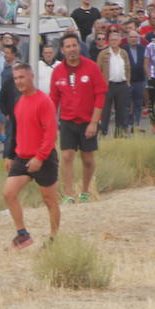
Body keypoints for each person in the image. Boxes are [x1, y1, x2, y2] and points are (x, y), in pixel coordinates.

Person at [3, 64, 60, 248]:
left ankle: (54, 238)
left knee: (49, 199)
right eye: (16, 78)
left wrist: (40, 158)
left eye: (22, 77)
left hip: (43, 158)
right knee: (8, 193)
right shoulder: (19, 102)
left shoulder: (44, 101)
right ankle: (23, 234)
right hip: (22, 157)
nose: (19, 81)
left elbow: (51, 134)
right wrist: (10, 155)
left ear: (31, 77)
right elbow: (17, 131)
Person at [51, 33, 108, 204]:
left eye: (74, 45)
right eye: (67, 46)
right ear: (62, 50)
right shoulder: (58, 71)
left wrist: (94, 122)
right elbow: (53, 99)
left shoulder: (91, 67)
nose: (71, 49)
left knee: (88, 158)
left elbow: (100, 95)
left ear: (79, 47)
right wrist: (51, 123)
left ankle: (85, 191)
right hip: (67, 121)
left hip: (87, 121)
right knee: (67, 156)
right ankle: (69, 194)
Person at [97, 29, 131, 137]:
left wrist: (128, 82)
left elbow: (128, 68)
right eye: (112, 40)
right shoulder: (103, 53)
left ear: (120, 40)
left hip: (122, 85)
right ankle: (103, 133)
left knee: (121, 111)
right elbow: (98, 70)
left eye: (116, 39)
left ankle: (119, 134)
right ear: (108, 41)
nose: (114, 41)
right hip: (108, 86)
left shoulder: (124, 53)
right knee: (105, 111)